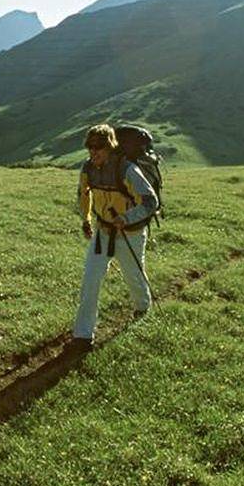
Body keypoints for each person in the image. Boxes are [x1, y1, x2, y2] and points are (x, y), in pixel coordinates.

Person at [70, 124, 157, 350]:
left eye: (98, 147)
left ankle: (143, 307)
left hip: (130, 233)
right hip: (103, 232)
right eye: (90, 147)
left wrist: (126, 218)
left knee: (134, 277)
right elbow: (83, 194)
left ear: (110, 146)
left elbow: (150, 201)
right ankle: (82, 336)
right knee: (90, 281)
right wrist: (86, 219)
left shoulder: (126, 170)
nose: (93, 152)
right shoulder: (88, 168)